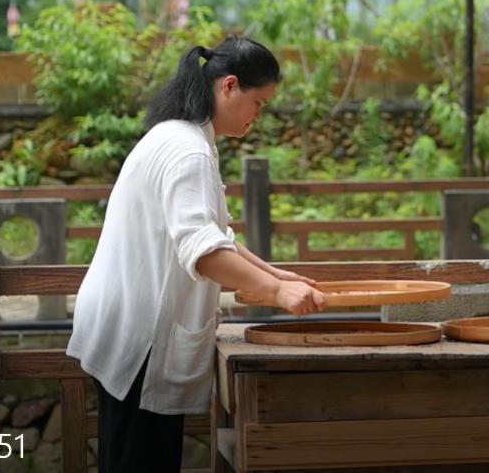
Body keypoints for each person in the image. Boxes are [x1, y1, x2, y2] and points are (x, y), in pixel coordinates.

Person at [67, 35, 326, 473]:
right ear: (228, 87)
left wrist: (275, 276)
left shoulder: (183, 138)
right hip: (139, 339)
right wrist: (278, 294)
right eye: (258, 102)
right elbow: (203, 251)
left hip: (128, 326)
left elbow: (215, 234)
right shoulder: (187, 150)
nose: (259, 116)